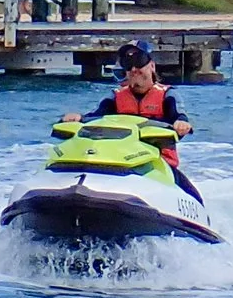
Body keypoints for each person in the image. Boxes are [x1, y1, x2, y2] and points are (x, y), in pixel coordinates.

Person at [61, 41, 199, 197]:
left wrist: (181, 124)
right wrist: (78, 118)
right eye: (128, 64)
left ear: (152, 66)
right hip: (119, 161)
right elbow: (95, 117)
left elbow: (179, 115)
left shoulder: (168, 95)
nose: (134, 70)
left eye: (139, 62)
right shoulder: (115, 96)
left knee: (191, 193)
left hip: (158, 163)